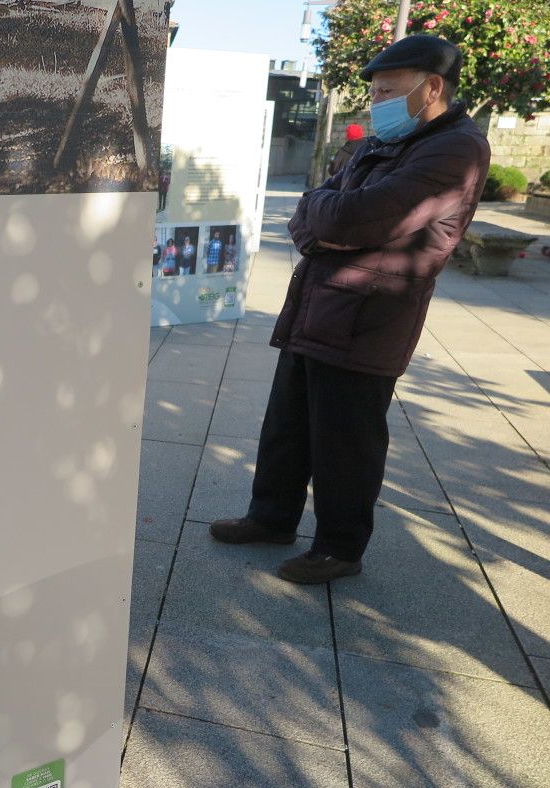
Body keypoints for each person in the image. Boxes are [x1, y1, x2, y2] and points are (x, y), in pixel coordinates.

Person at [209, 36, 490, 584]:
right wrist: (322, 215)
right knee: (287, 424)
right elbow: (318, 206)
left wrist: (325, 216)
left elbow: (360, 219)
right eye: (374, 91)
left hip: (371, 318)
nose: (376, 101)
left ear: (432, 88)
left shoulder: (455, 149)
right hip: (319, 301)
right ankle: (271, 519)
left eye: (387, 90)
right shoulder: (386, 141)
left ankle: (339, 547)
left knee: (347, 440)